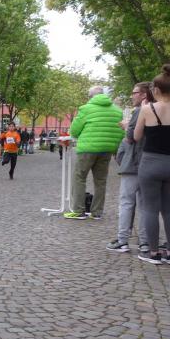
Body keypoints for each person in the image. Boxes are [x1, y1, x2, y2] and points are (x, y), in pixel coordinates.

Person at [63, 86, 124, 220]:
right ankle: (97, 212)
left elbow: (74, 131)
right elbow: (120, 131)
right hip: (107, 149)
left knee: (79, 177)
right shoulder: (117, 111)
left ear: (91, 96)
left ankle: (79, 210)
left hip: (88, 148)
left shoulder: (86, 108)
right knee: (101, 181)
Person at [107, 82, 152, 253]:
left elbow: (132, 137)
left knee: (127, 202)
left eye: (135, 93)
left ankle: (122, 240)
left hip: (134, 162)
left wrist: (127, 127)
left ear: (144, 95)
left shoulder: (141, 111)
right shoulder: (160, 110)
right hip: (150, 163)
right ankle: (145, 242)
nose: (132, 95)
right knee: (145, 204)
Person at [133, 65, 170, 264]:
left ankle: (153, 252)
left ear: (156, 90)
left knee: (150, 209)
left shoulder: (147, 109)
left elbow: (136, 136)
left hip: (151, 163)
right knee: (168, 209)